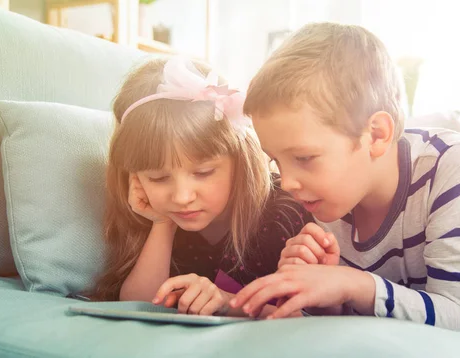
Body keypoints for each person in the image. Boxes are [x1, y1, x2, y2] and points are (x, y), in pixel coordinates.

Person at [230, 22, 460, 334]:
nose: (287, 183)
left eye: (304, 158)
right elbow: (386, 305)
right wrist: (323, 293)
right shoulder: (331, 198)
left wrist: (351, 283)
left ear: (376, 135)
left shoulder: (456, 169)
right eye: (276, 161)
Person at [92, 56, 311, 317]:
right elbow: (139, 306)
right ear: (134, 178)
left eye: (203, 172)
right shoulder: (153, 219)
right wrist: (162, 225)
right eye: (158, 178)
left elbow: (306, 318)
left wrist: (229, 303)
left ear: (239, 161)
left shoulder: (284, 212)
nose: (183, 197)